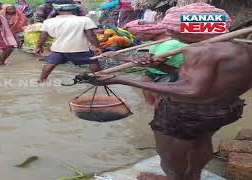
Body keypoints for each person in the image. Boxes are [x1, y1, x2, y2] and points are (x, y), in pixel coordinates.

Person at [93, 3, 249, 180]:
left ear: (188, 30)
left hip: (188, 114)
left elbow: (192, 90)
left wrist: (119, 79)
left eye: (172, 31)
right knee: (201, 140)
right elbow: (204, 82)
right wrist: (161, 65)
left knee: (167, 155)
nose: (170, 34)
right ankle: (194, 174)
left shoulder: (200, 50)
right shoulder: (244, 48)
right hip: (224, 110)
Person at [111, 22, 187, 105]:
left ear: (148, 32)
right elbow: (150, 59)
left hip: (168, 74)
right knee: (146, 89)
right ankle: (149, 107)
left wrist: (121, 58)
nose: (136, 38)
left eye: (136, 34)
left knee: (161, 101)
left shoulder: (169, 44)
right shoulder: (158, 42)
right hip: (154, 72)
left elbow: (152, 63)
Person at [35, 0, 102, 82]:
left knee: (50, 64)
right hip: (80, 49)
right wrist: (98, 47)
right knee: (93, 61)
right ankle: (101, 79)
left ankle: (41, 80)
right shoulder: (85, 20)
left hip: (58, 49)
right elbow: (91, 36)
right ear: (74, 8)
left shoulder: (48, 22)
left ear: (56, 9)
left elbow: (43, 36)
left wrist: (38, 47)